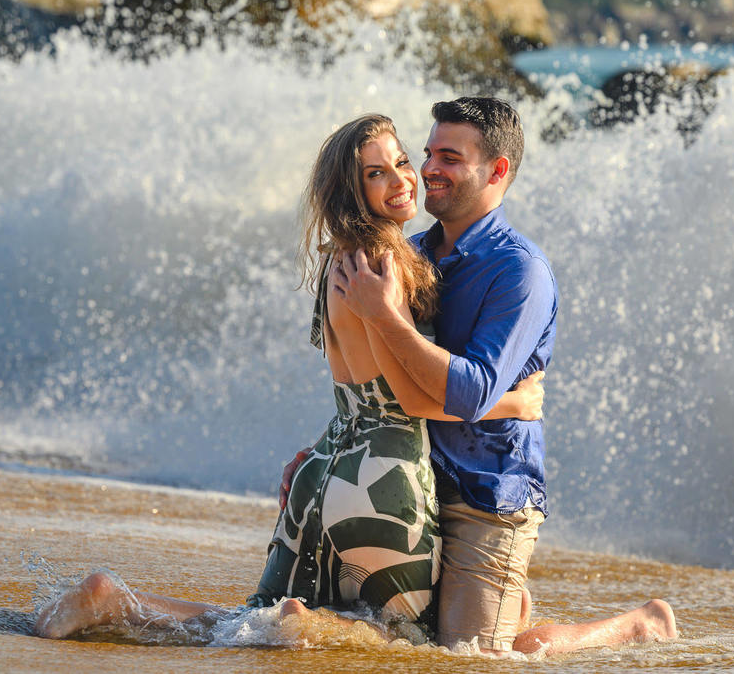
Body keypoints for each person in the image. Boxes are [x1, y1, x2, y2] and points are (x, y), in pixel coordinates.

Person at [34, 114, 544, 641]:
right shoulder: (385, 261)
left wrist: (315, 453)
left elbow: (358, 396)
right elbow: (406, 400)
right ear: (351, 189)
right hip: (388, 480)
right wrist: (512, 403)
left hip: (326, 470)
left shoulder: (341, 259)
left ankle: (116, 602)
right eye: (376, 173)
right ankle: (305, 623)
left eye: (402, 161)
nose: (403, 179)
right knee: (404, 641)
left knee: (245, 623)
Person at [317, 96, 677, 654]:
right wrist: (326, 450)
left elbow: (469, 392)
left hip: (488, 496)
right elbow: (378, 381)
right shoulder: (408, 253)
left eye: (451, 158)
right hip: (420, 481)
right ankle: (505, 603)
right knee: (405, 645)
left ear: (497, 170)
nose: (430, 168)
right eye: (429, 152)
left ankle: (639, 625)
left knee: (474, 658)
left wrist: (384, 314)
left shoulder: (520, 271)